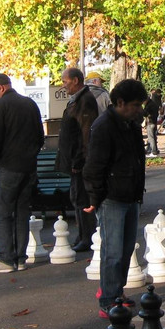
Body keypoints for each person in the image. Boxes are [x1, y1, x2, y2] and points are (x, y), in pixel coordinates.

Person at [83, 78, 148, 318]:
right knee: (112, 250)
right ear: (120, 103)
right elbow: (94, 166)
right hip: (112, 196)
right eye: (135, 105)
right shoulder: (104, 126)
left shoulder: (130, 124)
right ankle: (108, 299)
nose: (139, 110)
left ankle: (115, 292)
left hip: (130, 194)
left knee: (126, 248)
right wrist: (94, 197)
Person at [0, 73, 44, 274]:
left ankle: (6, 259)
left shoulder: (0, 106)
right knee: (22, 213)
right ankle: (20, 258)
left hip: (8, 166)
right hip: (28, 167)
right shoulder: (30, 104)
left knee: (3, 213)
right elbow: (39, 137)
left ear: (0, 87)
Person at [55, 67, 100, 252]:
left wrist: (79, 160)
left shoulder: (85, 101)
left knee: (81, 198)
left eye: (65, 82)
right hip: (76, 159)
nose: (64, 86)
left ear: (75, 80)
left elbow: (85, 132)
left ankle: (87, 237)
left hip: (80, 161)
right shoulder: (78, 100)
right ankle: (83, 235)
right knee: (77, 197)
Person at [144, 88, 163, 156]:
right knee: (154, 137)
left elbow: (145, 113)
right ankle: (156, 150)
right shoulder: (154, 104)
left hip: (150, 122)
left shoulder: (149, 105)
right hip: (154, 121)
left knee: (151, 137)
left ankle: (154, 151)